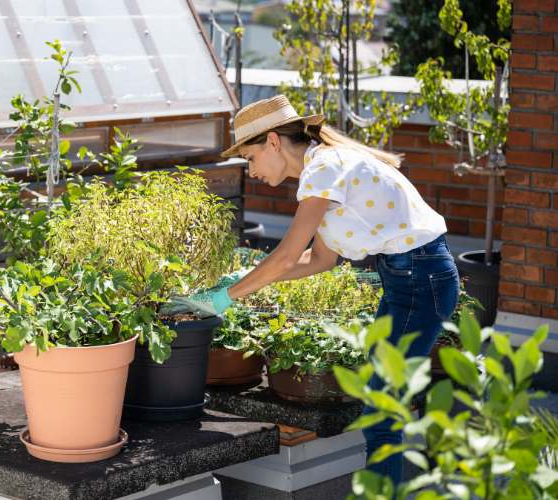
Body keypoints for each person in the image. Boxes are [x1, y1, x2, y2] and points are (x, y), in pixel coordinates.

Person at [168, 94, 460, 485]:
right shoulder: (324, 169)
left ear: (273, 141)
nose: (250, 171)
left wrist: (225, 298)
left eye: (250, 158)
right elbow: (319, 259)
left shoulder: (324, 169)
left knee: (381, 410)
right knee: (383, 399)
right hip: (406, 277)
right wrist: (237, 285)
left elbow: (288, 255)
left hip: (420, 279)